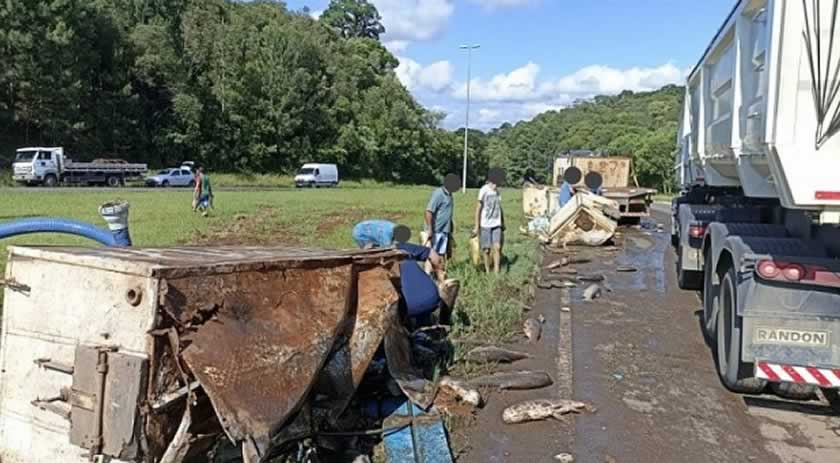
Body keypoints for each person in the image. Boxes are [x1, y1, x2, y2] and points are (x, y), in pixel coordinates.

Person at [424, 174, 458, 281]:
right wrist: (430, 229)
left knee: (440, 254)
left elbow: (448, 213)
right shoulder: (438, 194)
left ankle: (437, 275)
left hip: (444, 230)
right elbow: (428, 211)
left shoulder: (450, 195)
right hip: (435, 230)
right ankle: (427, 276)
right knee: (431, 254)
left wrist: (450, 228)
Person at [473, 172, 505, 273]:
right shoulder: (484, 190)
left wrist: (503, 222)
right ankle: (487, 271)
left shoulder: (497, 192)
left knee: (497, 247)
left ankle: (496, 271)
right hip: (485, 224)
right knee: (486, 250)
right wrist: (476, 226)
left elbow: (499, 208)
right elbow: (478, 208)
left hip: (496, 223)